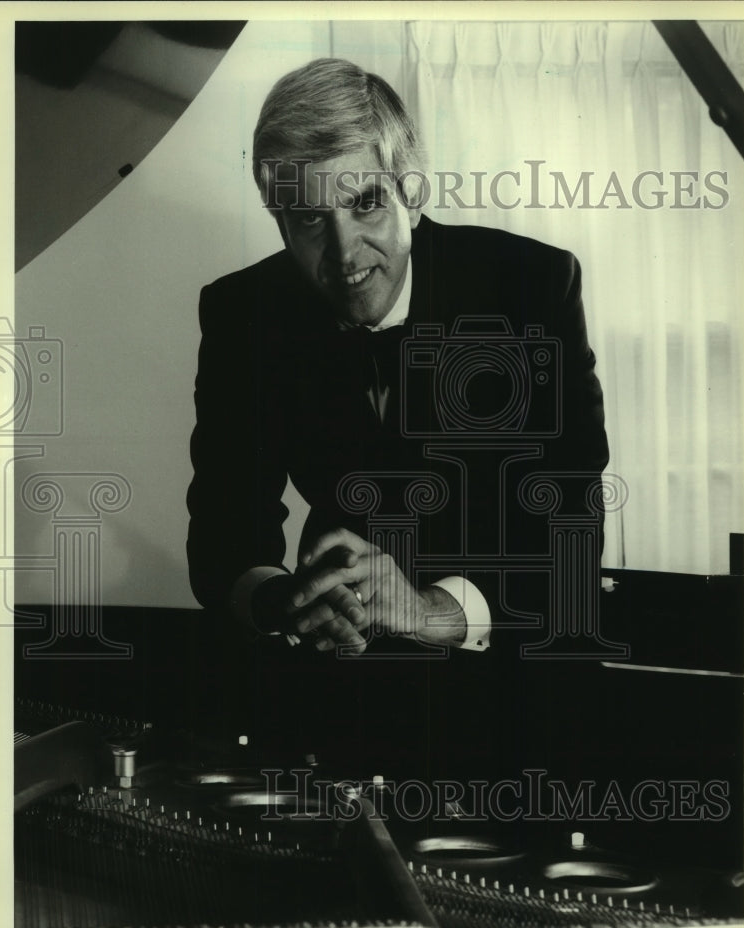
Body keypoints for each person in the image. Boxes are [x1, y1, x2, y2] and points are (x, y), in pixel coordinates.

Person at [186, 58, 609, 775]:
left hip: (515, 698)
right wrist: (289, 601)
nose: (345, 252)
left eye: (365, 204)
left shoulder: (529, 287)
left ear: (411, 188)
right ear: (279, 221)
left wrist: (430, 612)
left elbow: (569, 529)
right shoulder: (242, 312)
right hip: (335, 703)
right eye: (308, 221)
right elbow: (225, 534)